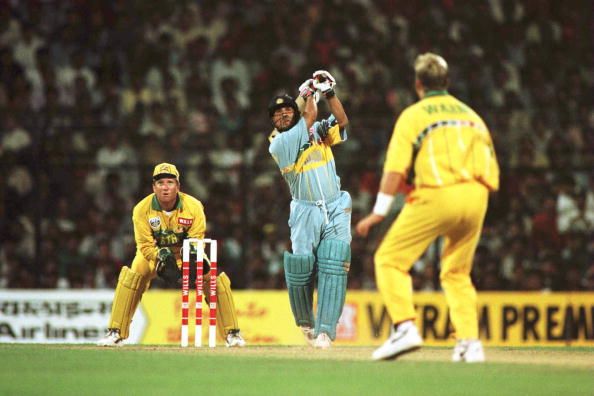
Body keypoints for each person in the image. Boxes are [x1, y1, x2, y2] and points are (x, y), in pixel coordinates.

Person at [356, 53, 499, 362]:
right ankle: (470, 342)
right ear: (446, 82)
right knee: (457, 272)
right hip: (476, 195)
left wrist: (379, 212)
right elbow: (491, 165)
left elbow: (395, 170)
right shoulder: (472, 115)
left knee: (389, 259)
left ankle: (405, 327)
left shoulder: (413, 115)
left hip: (437, 193)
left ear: (418, 83)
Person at [97, 163, 246, 347]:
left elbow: (196, 240)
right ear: (154, 187)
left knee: (211, 278)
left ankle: (232, 333)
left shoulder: (193, 206)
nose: (165, 187)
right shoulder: (141, 210)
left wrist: (189, 258)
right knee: (133, 275)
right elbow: (144, 245)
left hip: (185, 252)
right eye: (160, 183)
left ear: (178, 186)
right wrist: (160, 257)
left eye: (170, 182)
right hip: (153, 254)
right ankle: (116, 332)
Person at [268, 70, 352, 349]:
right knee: (302, 268)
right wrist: (307, 94)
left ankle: (326, 331)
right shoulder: (278, 143)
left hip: (335, 203)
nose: (282, 116)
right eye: (277, 115)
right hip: (305, 211)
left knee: (334, 261)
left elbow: (342, 121)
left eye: (286, 112)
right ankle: (305, 320)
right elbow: (309, 116)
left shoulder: (316, 131)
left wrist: (329, 93)